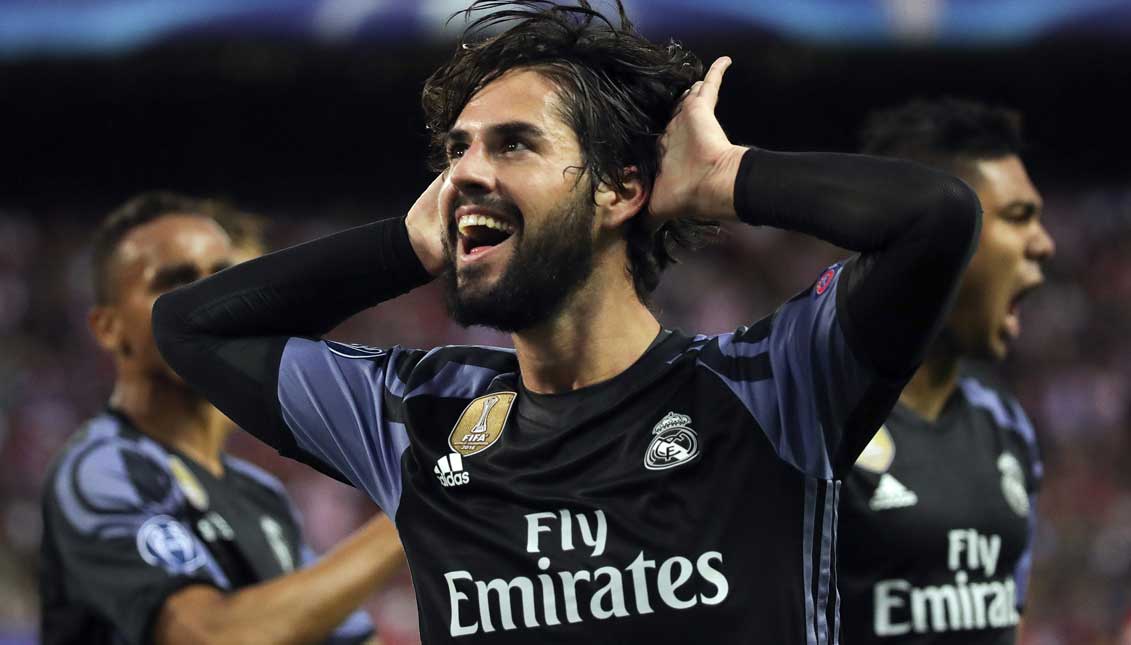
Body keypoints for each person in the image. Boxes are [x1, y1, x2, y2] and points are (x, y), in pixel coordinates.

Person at [152, 1, 981, 641]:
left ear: (618, 190)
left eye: (512, 145)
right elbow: (191, 326)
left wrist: (729, 175)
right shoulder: (416, 419)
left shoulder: (774, 385)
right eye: (456, 150)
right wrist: (405, 245)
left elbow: (933, 218)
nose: (466, 172)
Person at [39, 192, 404, 645]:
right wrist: (411, 508)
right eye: (176, 282)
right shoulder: (103, 469)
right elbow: (210, 637)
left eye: (223, 281)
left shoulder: (260, 495)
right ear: (108, 328)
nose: (209, 303)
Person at [837, 98, 1054, 643]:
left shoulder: (1006, 426)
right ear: (929, 231)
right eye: (1017, 216)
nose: (1045, 244)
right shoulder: (810, 423)